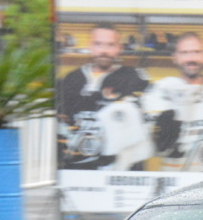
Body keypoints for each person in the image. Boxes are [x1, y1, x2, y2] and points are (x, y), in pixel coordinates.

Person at [56, 23, 149, 169]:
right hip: (80, 167)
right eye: (98, 44)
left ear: (120, 48)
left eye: (110, 45)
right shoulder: (70, 79)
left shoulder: (134, 78)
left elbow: (149, 121)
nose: (104, 51)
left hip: (122, 168)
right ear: (90, 46)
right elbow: (59, 123)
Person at [142, 32, 203, 172]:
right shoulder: (159, 91)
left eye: (196, 52)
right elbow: (149, 147)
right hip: (176, 184)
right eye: (185, 53)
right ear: (175, 58)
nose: (191, 58)